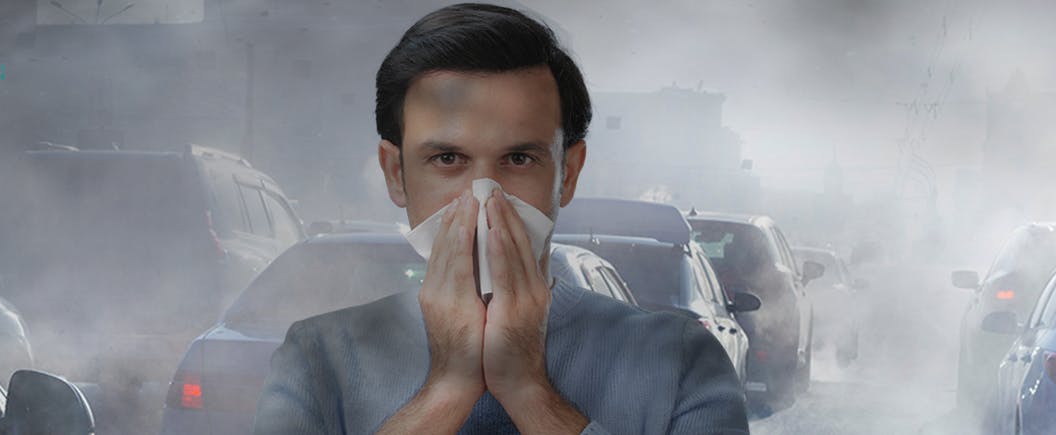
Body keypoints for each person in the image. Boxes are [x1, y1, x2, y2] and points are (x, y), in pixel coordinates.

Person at [251, 4, 749, 434]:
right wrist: (446, 389)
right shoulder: (316, 359)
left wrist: (530, 391)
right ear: (396, 174)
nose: (484, 197)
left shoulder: (680, 361)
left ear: (568, 174)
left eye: (519, 159)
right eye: (447, 159)